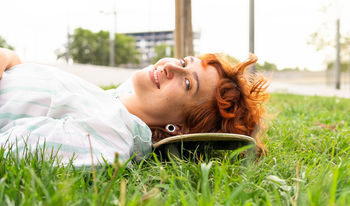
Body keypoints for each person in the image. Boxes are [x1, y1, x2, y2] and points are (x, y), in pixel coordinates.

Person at [0, 48, 269, 166]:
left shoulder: (111, 136)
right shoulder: (120, 104)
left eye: (188, 84)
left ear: (179, 129)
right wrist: (12, 59)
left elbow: (12, 147)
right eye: (185, 62)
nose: (171, 67)